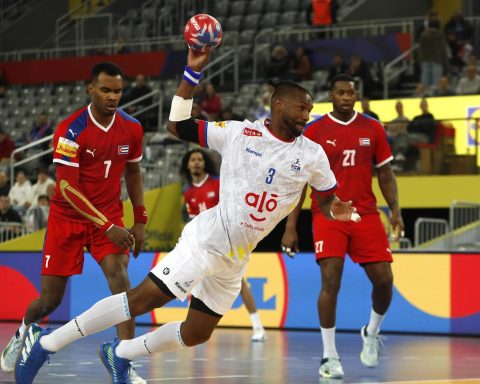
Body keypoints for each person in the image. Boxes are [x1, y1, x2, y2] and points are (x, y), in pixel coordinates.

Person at [13, 48, 358, 384]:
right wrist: (191, 73)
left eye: (311, 110)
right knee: (142, 299)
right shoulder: (239, 133)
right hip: (208, 239)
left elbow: (327, 198)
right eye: (302, 108)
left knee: (197, 332)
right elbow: (177, 126)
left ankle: (121, 354)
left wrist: (334, 209)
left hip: (237, 257)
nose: (307, 115)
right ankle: (46, 345)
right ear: (278, 104)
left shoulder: (313, 154)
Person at [1, 62, 147, 384]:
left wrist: (140, 220)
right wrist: (108, 226)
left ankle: (123, 359)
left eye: (118, 91)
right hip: (67, 216)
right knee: (49, 301)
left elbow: (134, 172)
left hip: (108, 215)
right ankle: (24, 330)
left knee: (120, 278)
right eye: (106, 90)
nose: (113, 97)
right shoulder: (70, 129)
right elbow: (67, 188)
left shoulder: (133, 128)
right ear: (90, 89)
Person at [281, 74, 404, 379]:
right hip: (328, 215)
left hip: (365, 214)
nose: (347, 97)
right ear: (331, 96)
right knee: (330, 281)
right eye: (341, 93)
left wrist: (396, 212)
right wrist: (291, 227)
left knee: (384, 280)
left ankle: (371, 332)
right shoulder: (313, 131)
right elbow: (299, 183)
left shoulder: (373, 127)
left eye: (351, 92)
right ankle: (329, 357)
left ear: (356, 94)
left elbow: (385, 174)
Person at [180, 148, 267, 341]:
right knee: (194, 280)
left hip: (226, 240)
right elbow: (193, 222)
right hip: (204, 243)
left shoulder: (218, 183)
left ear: (205, 164)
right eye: (192, 159)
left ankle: (258, 326)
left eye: (199, 159)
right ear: (187, 165)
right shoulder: (188, 193)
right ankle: (190, 325)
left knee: (240, 283)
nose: (196, 163)